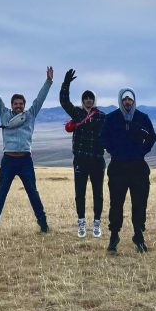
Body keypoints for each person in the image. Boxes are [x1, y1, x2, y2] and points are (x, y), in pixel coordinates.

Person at [0, 66, 53, 236]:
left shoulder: (30, 115)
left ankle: (43, 224)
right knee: (1, 193)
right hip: (8, 160)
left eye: (21, 104)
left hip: (25, 160)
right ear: (12, 105)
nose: (18, 106)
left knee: (33, 193)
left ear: (24, 105)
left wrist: (49, 82)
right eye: (16, 104)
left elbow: (40, 99)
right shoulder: (4, 114)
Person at [100, 87, 156, 254]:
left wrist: (142, 152)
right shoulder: (111, 118)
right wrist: (113, 151)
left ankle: (138, 235)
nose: (127, 102)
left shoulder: (142, 118)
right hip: (118, 167)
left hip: (138, 167)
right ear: (120, 100)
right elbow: (103, 138)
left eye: (130, 100)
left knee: (140, 203)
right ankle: (114, 236)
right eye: (124, 99)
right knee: (116, 203)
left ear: (133, 101)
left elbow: (152, 137)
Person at [60, 69, 107, 238]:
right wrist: (66, 83)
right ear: (83, 100)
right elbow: (64, 101)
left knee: (98, 194)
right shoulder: (77, 113)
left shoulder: (102, 117)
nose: (88, 100)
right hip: (80, 159)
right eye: (86, 97)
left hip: (97, 160)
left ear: (94, 100)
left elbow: (111, 134)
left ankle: (96, 224)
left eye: (91, 97)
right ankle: (81, 223)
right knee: (79, 193)